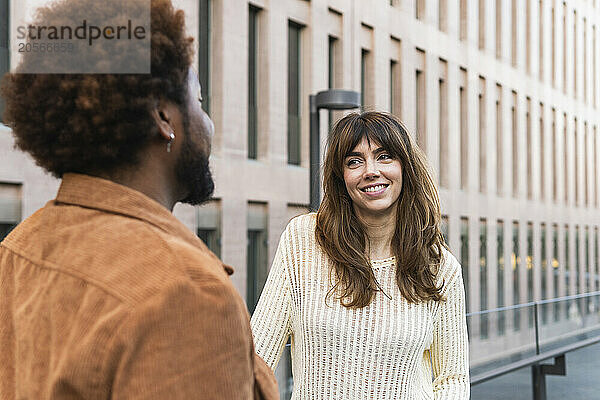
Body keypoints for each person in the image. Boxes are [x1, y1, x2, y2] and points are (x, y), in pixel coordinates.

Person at [0, 0, 278, 398]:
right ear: (163, 116)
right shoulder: (186, 292)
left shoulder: (17, 250)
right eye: (198, 102)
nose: (209, 124)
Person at [251, 111, 470, 399]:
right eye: (354, 161)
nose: (370, 171)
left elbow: (452, 378)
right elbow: (255, 358)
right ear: (341, 178)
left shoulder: (439, 267)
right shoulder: (302, 241)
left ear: (405, 168)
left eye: (384, 156)